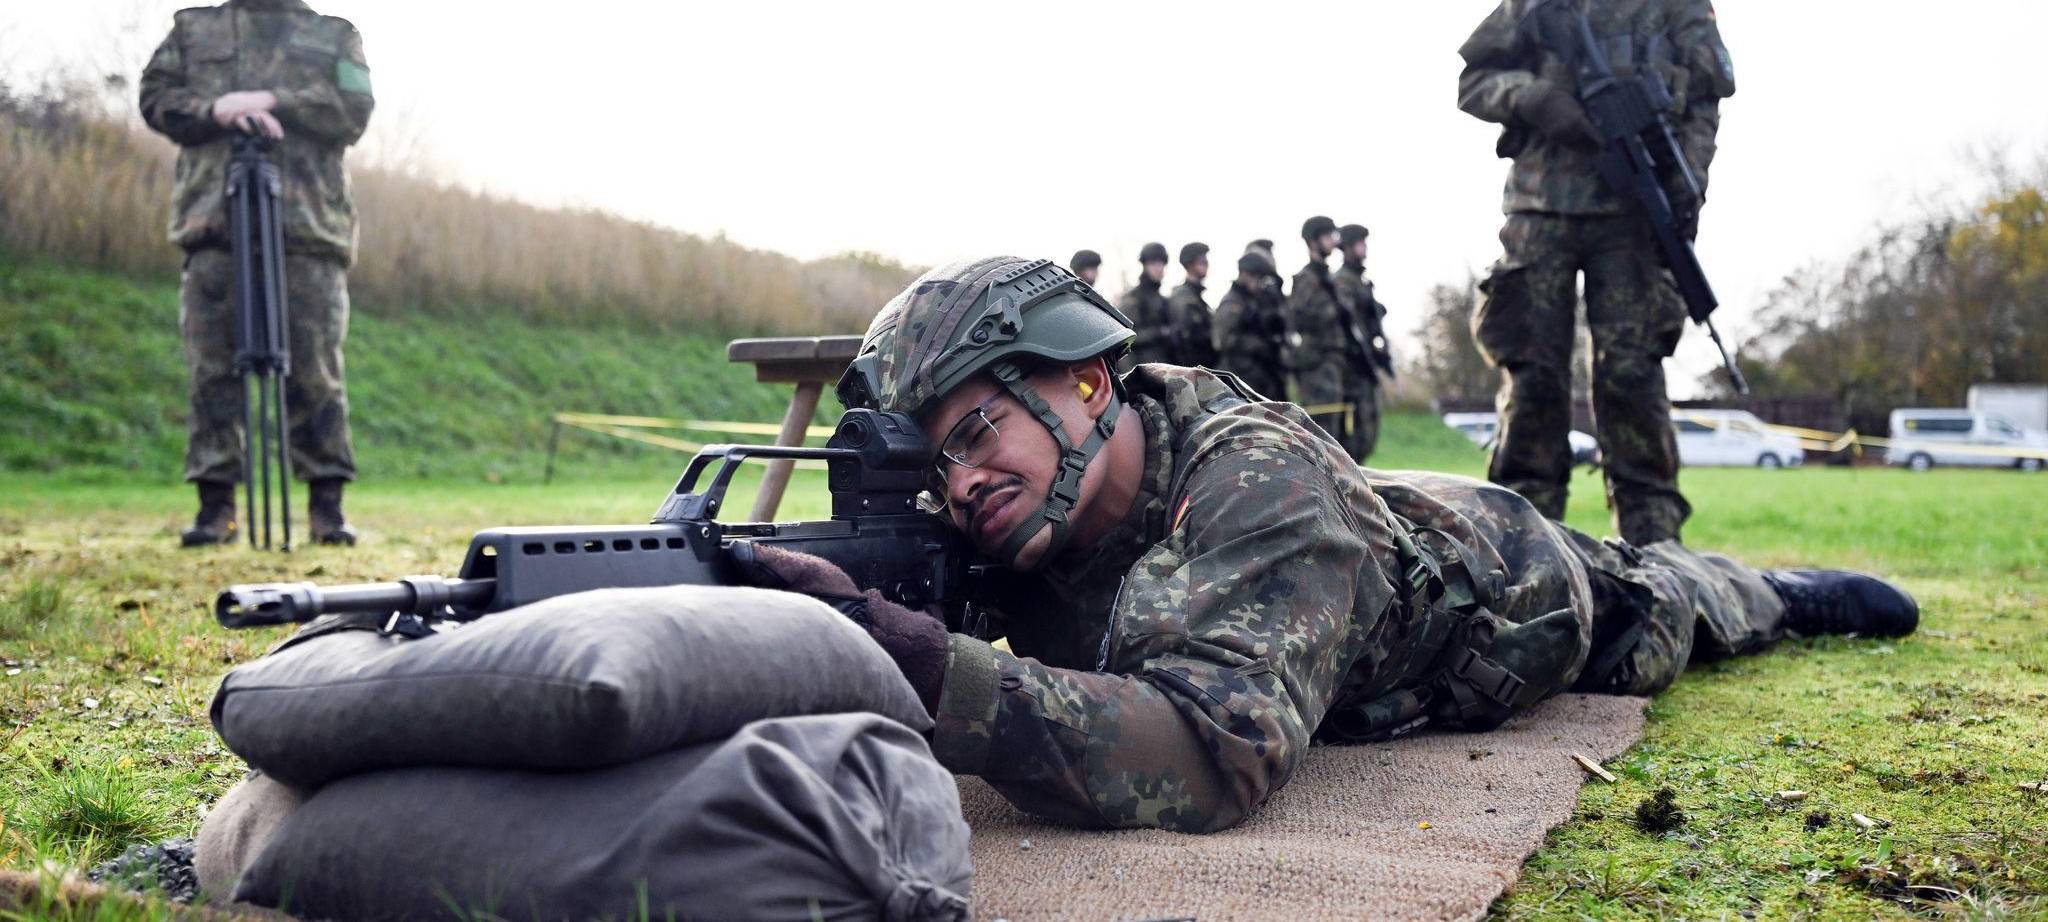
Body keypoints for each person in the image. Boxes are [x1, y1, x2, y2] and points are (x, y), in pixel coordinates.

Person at [736, 256, 1918, 834]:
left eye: (979, 427)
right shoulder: (1016, 511)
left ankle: (1769, 590)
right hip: (1350, 541)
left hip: (1498, 594)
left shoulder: (1260, 485)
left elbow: (1209, 752)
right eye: (933, 461)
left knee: (1654, 605)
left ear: (1089, 379)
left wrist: (935, 670)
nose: (962, 480)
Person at [1457, 0, 1734, 545]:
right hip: (1542, 208)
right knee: (1534, 377)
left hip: (1633, 210)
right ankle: (1522, 547)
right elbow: (1474, 81)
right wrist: (1535, 99)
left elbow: (1707, 95)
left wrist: (1689, 177)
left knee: (1632, 376)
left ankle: (1653, 548)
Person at [140, 0, 374, 546]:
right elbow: (155, 98)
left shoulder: (335, 34)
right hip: (213, 224)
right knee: (212, 370)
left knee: (316, 372)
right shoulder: (193, 27)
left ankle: (327, 508)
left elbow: (355, 109)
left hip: (309, 229)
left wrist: (274, 102)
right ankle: (215, 508)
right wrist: (217, 110)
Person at [1285, 216, 1353, 454]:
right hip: (1316, 364)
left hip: (1332, 363)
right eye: (1327, 236)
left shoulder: (1328, 279)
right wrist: (1332, 311)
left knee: (1335, 432)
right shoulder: (1307, 279)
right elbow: (1298, 318)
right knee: (1321, 433)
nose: (1332, 242)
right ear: (1313, 241)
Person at [1331, 223, 1389, 461]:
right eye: (1359, 243)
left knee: (1369, 429)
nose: (1364, 248)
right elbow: (1347, 321)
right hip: (1351, 368)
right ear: (1346, 247)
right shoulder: (1342, 281)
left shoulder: (1362, 281)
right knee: (1355, 435)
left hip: (1365, 367)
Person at [1210, 249, 1287, 400]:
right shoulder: (1232, 302)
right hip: (1240, 377)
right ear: (1245, 274)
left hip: (1260, 376)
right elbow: (1221, 341)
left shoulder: (1255, 301)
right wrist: (1256, 345)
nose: (1259, 283)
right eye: (1257, 277)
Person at [1118, 242, 1173, 366]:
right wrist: (1159, 332)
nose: (1158, 268)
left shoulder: (1162, 299)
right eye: (1153, 264)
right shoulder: (1133, 298)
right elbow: (1126, 337)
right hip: (1141, 370)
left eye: (1161, 264)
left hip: (1163, 367)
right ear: (1144, 265)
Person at [1165, 243, 1218, 368]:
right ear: (1190, 264)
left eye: (1206, 260)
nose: (1206, 263)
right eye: (1201, 260)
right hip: (1193, 371)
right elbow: (1183, 340)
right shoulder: (1182, 297)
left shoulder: (1195, 296)